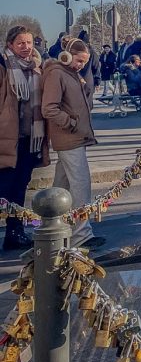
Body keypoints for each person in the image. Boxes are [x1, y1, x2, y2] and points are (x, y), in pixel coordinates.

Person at [0, 26, 49, 250]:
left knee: (20, 187)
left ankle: (14, 232)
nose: (26, 47)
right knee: (3, 188)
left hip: (30, 138)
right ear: (10, 45)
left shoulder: (37, 68)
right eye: (20, 43)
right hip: (7, 138)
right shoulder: (4, 67)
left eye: (29, 43)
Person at [41, 36, 96, 210]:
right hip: (69, 138)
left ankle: (52, 222)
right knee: (81, 184)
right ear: (67, 55)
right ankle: (81, 234)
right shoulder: (57, 74)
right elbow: (49, 108)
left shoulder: (71, 74)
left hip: (74, 136)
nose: (81, 65)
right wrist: (70, 123)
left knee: (61, 186)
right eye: (79, 60)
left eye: (84, 62)